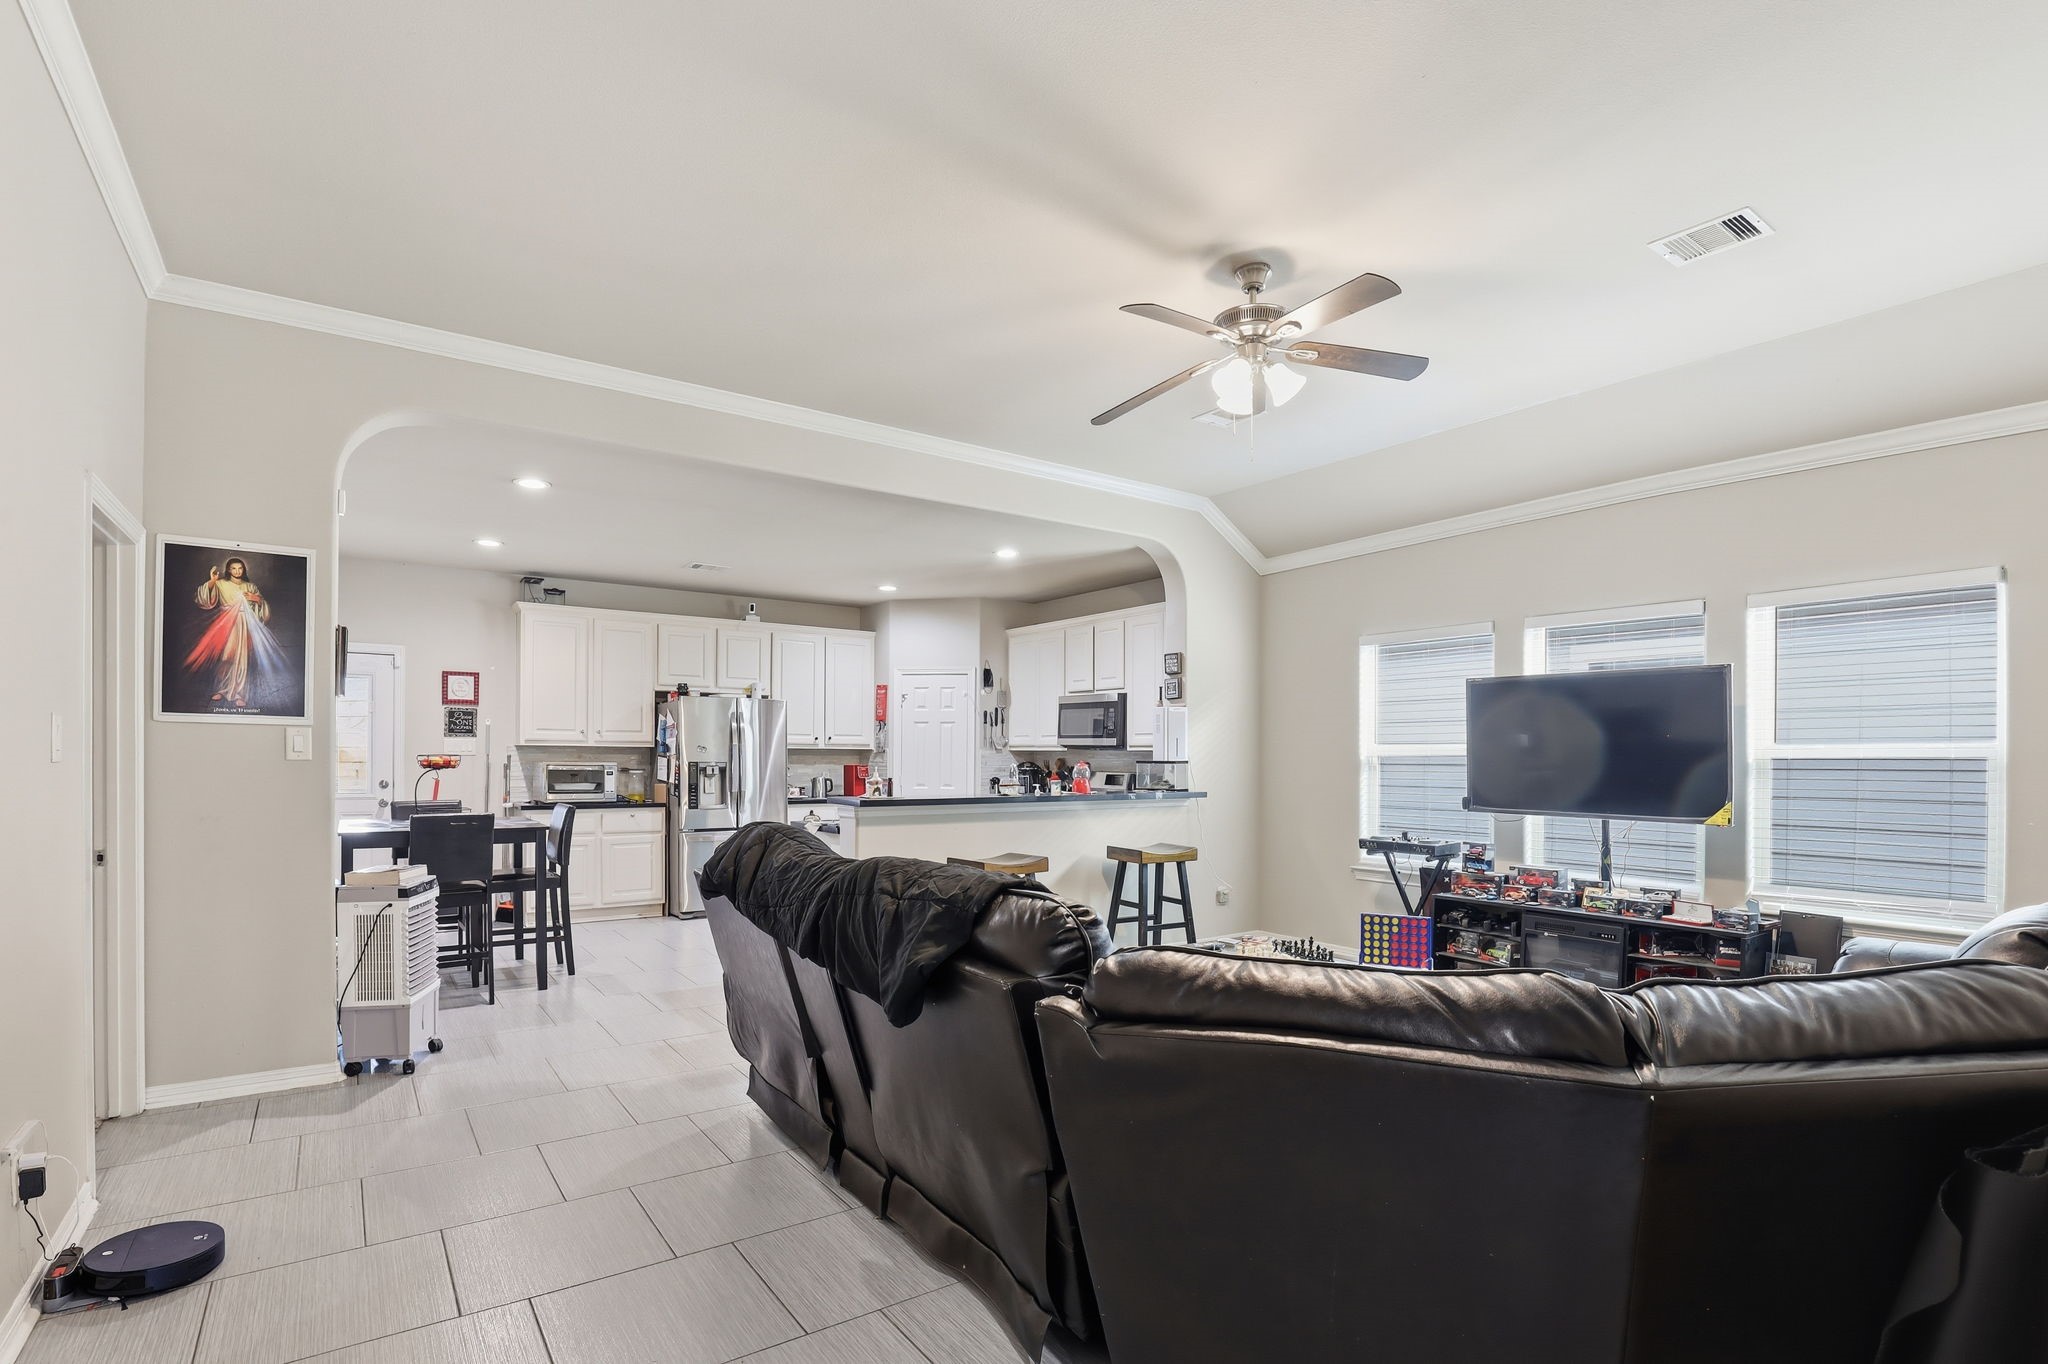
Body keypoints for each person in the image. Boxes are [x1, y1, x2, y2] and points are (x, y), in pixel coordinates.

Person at [185, 556, 283, 709]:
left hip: (246, 623)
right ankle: (222, 689)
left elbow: (263, 607)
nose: (237, 571)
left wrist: (256, 599)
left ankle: (239, 693)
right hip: (227, 623)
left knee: (242, 659)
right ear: (228, 570)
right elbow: (204, 599)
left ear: (243, 570)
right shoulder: (221, 583)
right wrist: (212, 581)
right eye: (233, 568)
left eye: (240, 568)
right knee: (226, 657)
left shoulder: (250, 586)